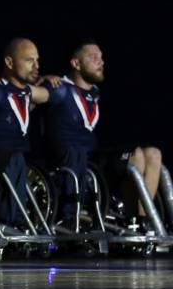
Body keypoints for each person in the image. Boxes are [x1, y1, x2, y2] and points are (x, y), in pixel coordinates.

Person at [42, 40, 164, 225]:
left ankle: (143, 221)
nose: (101, 62)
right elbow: (26, 92)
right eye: (93, 58)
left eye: (101, 57)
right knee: (136, 155)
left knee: (154, 154)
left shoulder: (94, 91)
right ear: (76, 64)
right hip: (72, 161)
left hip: (96, 158)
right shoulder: (59, 87)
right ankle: (134, 219)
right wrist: (42, 77)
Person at [0, 38, 52, 226]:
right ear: (9, 62)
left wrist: (48, 79)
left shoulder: (27, 91)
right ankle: (13, 221)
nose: (36, 66)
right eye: (29, 60)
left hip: (20, 158)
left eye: (37, 60)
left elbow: (48, 94)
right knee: (15, 158)